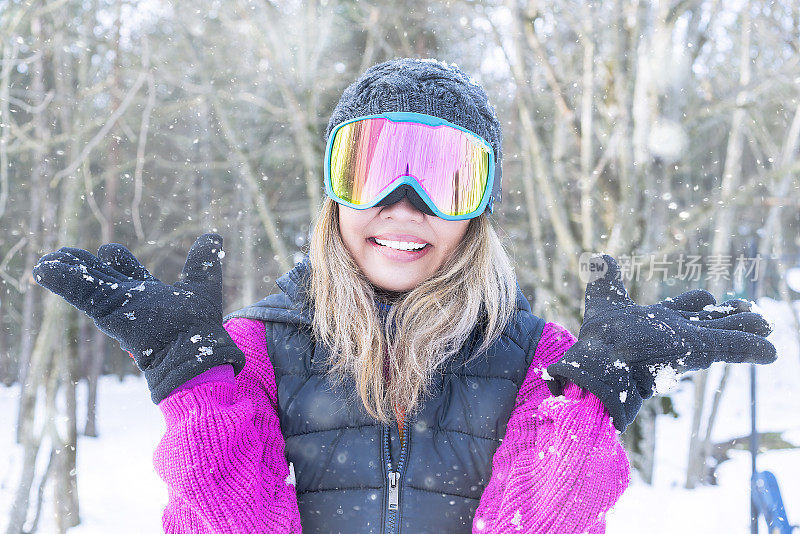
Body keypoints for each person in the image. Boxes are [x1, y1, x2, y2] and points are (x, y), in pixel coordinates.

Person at [33, 58, 777, 534]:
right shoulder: (252, 350)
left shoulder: (538, 360)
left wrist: (592, 402)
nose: (404, 205)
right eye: (372, 170)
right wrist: (191, 385)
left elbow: (539, 525)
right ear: (333, 193)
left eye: (443, 178)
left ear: (478, 207)